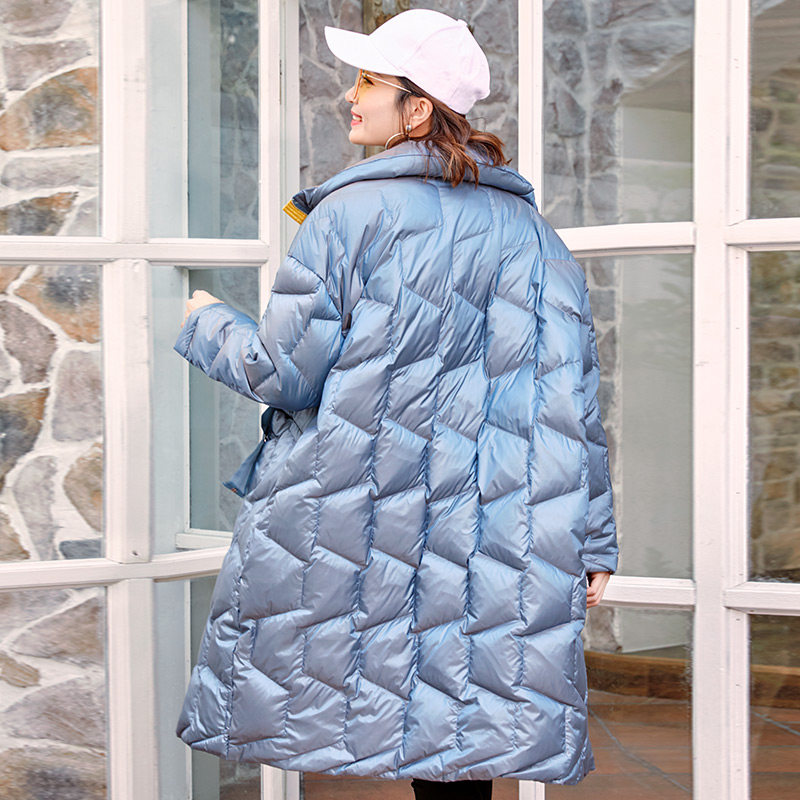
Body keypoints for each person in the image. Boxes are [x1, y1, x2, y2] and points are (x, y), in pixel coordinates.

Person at [174, 9, 618, 799]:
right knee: (460, 725)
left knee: (383, 706)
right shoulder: (531, 233)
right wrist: (593, 539)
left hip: (367, 513)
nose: (349, 97)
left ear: (417, 108)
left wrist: (205, 320)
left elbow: (284, 373)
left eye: (368, 82)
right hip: (488, 519)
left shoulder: (349, 215)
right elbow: (572, 399)